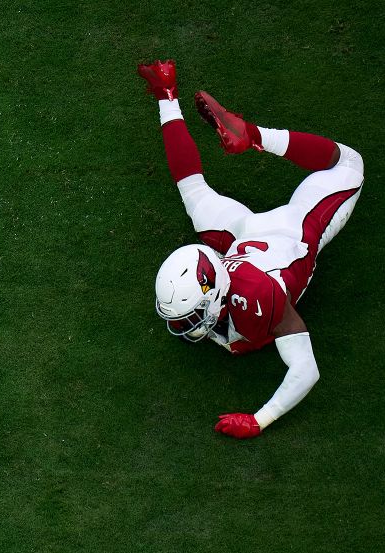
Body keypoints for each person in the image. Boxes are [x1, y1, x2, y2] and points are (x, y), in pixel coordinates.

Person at [137, 59, 364, 438]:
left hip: (296, 227)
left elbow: (306, 369)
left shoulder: (259, 298)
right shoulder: (221, 282)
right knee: (192, 190)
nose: (182, 326)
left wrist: (261, 419)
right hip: (243, 238)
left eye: (189, 316)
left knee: (350, 164)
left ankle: (251, 133)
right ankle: (168, 93)